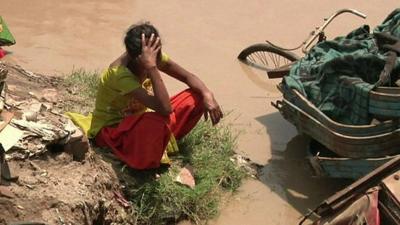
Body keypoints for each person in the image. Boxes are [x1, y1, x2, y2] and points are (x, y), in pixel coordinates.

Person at [88, 22, 223, 170]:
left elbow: (187, 76)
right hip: (114, 131)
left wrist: (207, 94)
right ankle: (145, 160)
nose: (157, 59)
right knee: (159, 120)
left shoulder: (150, 57)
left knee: (196, 96)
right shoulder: (119, 74)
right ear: (139, 58)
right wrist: (152, 68)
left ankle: (162, 142)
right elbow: (165, 109)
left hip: (138, 119)